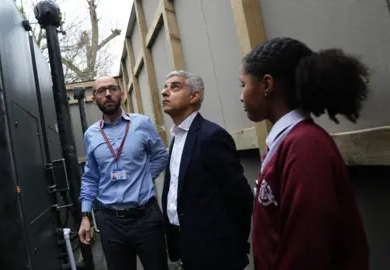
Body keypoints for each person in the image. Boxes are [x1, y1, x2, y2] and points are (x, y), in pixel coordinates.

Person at [239, 37, 370, 270]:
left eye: (243, 85)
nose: (241, 96)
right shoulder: (287, 142)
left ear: (267, 85)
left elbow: (307, 247)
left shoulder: (306, 146)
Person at [161, 70, 254, 270]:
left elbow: (241, 198)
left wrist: (233, 245)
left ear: (195, 96)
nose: (164, 92)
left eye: (174, 86)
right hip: (186, 247)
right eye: (165, 87)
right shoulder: (177, 137)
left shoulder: (211, 136)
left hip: (216, 253)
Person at [78, 76, 169, 270]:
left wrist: (144, 177)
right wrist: (85, 216)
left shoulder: (142, 124)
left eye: (112, 89)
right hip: (111, 223)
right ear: (94, 98)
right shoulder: (91, 135)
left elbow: (161, 156)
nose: (108, 94)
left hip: (146, 217)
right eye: (101, 91)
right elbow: (90, 177)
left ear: (121, 93)